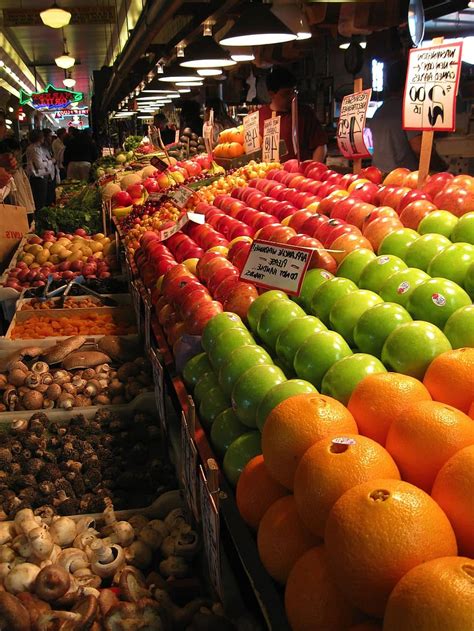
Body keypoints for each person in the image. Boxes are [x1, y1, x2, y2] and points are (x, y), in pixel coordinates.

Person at [258, 66, 327, 162]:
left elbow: (321, 145)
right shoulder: (259, 116)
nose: (292, 97)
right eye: (286, 94)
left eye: (294, 92)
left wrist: (313, 170)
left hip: (301, 175)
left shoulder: (305, 113)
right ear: (271, 94)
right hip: (265, 174)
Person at [26, 129, 56, 211]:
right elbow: (39, 165)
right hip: (38, 177)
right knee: (40, 201)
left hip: (40, 177)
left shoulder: (34, 148)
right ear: (39, 137)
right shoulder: (35, 149)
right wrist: (50, 161)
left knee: (40, 200)